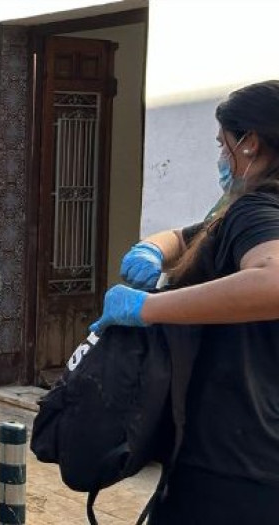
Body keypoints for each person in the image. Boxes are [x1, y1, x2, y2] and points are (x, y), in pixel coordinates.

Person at [93, 80, 279, 522]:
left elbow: (273, 281)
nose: (220, 157)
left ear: (249, 143)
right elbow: (186, 236)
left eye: (223, 144)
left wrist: (147, 308)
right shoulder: (249, 212)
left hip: (233, 461)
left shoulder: (255, 211)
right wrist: (153, 249)